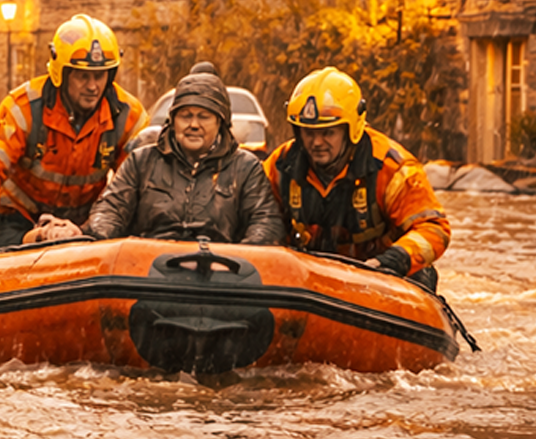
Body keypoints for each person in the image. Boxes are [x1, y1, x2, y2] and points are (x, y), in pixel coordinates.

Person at [0, 14, 148, 249]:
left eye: (100, 76)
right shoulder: (23, 108)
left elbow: (138, 182)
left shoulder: (128, 116)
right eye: (83, 76)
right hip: (20, 219)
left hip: (86, 225)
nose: (93, 86)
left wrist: (97, 226)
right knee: (2, 241)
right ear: (62, 73)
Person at [263, 66, 450, 291]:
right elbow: (255, 218)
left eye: (328, 132)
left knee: (421, 277)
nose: (317, 142)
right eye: (309, 133)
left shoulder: (392, 168)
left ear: (351, 129)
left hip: (380, 279)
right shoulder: (281, 166)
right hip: (308, 277)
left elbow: (433, 228)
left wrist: (393, 260)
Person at [85, 62, 284, 244]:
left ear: (220, 122)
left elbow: (266, 223)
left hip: (221, 267)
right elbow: (109, 210)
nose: (194, 125)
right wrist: (100, 233)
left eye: (204, 117)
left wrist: (241, 259)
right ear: (173, 121)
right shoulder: (141, 162)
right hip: (149, 266)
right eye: (185, 116)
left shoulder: (246, 168)